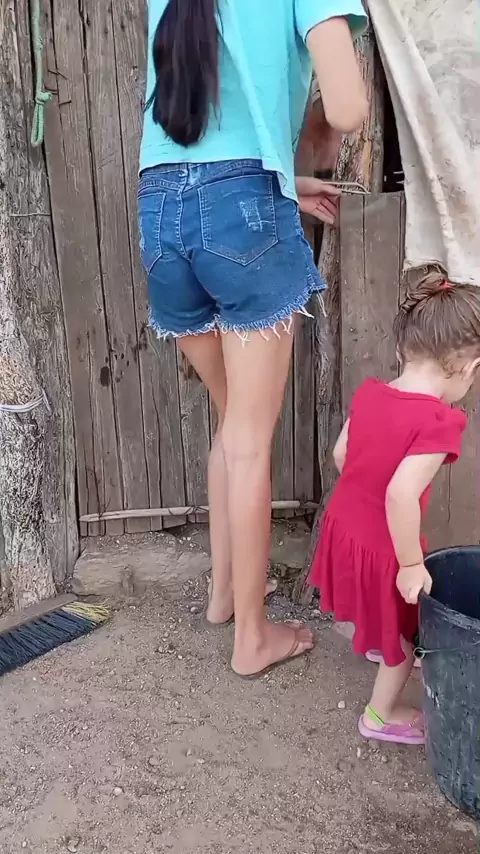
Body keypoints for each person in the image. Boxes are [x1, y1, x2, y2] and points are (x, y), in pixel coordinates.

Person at [138, 1, 368, 677]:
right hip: (243, 208)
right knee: (248, 438)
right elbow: (350, 108)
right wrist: (315, 124)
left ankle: (223, 597)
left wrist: (283, 178)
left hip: (159, 207)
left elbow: (203, 131)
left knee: (231, 421)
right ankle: (253, 639)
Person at [310, 272, 480, 744]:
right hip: (385, 546)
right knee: (404, 647)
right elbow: (401, 495)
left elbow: (341, 455)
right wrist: (408, 563)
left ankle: (377, 640)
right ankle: (380, 715)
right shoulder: (439, 421)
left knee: (380, 612)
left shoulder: (370, 393)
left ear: (405, 348)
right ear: (469, 368)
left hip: (344, 526)